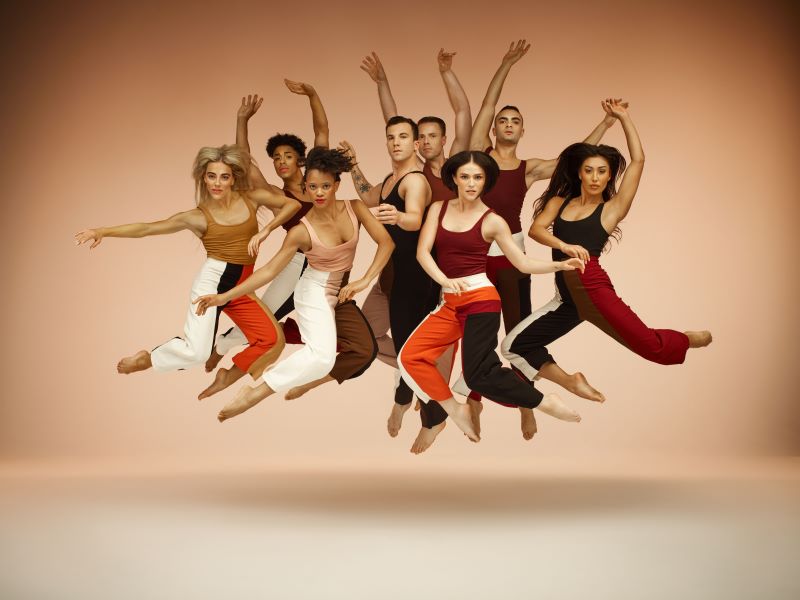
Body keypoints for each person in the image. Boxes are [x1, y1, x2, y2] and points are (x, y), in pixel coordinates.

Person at [461, 39, 622, 440]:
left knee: (519, 331)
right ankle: (473, 402)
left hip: (513, 256)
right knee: (476, 332)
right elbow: (485, 106)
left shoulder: (528, 169)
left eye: (515, 121)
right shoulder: (479, 159)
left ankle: (527, 403)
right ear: (494, 129)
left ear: (522, 130)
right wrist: (506, 63)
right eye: (503, 120)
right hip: (475, 256)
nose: (507, 124)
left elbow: (574, 160)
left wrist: (606, 124)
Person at [501, 100, 712, 398]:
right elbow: (536, 229)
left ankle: (685, 339)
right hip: (566, 298)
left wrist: (624, 118)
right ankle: (571, 381)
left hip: (593, 289)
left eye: (602, 171)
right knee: (512, 345)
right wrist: (563, 245)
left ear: (610, 176)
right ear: (579, 173)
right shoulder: (560, 202)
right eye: (589, 170)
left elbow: (638, 161)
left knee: (652, 348)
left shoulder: (612, 210)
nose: (595, 177)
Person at [398, 150, 585, 453]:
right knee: (410, 357)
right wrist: (444, 281)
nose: (471, 183)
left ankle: (542, 402)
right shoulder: (437, 209)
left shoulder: (493, 221)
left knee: (477, 374)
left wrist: (560, 264)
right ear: (454, 179)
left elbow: (522, 263)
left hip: (480, 301)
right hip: (450, 301)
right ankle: (455, 410)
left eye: (478, 177)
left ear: (486, 181)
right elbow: (423, 253)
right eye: (465, 177)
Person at [74, 145, 300, 395]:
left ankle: (227, 374)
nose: (217, 183)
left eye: (224, 177)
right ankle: (149, 359)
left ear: (233, 179)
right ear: (204, 178)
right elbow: (147, 228)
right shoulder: (197, 217)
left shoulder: (251, 198)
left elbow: (292, 205)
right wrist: (103, 231)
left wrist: (266, 230)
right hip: (212, 283)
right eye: (211, 176)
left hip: (242, 287)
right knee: (197, 353)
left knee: (271, 339)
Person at [193, 147, 394, 421]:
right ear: (306, 187)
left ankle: (300, 364)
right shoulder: (301, 230)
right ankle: (255, 392)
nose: (319, 193)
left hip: (342, 292)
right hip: (314, 292)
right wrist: (223, 296)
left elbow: (386, 242)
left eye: (325, 186)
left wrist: (364, 280)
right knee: (322, 356)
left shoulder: (355, 208)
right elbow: (269, 270)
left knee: (364, 350)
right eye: (312, 187)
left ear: (336, 185)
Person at [205, 85, 379, 400]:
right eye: (276, 158)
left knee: (334, 332)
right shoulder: (276, 194)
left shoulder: (318, 176)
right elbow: (245, 161)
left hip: (330, 267)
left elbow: (322, 130)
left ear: (300, 159)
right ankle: (223, 347)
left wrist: (313, 95)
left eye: (287, 156)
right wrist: (242, 121)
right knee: (267, 316)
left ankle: (290, 351)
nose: (281, 161)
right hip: (297, 262)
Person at [339, 115, 436, 438]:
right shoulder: (391, 180)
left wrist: (398, 216)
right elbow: (369, 196)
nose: (396, 142)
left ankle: (409, 403)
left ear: (416, 143)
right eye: (391, 137)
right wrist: (353, 165)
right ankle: (422, 371)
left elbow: (415, 218)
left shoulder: (415, 181)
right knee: (366, 336)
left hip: (413, 278)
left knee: (408, 348)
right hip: (389, 274)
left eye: (403, 136)